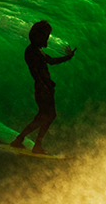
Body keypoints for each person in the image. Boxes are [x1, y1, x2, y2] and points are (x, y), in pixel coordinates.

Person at [10, 20, 76, 154]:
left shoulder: (37, 51)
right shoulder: (31, 51)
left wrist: (67, 57)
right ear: (36, 36)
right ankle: (32, 144)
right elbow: (34, 71)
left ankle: (23, 140)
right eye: (45, 35)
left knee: (45, 116)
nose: (46, 38)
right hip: (42, 89)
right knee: (47, 116)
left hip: (45, 88)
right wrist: (43, 86)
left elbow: (51, 61)